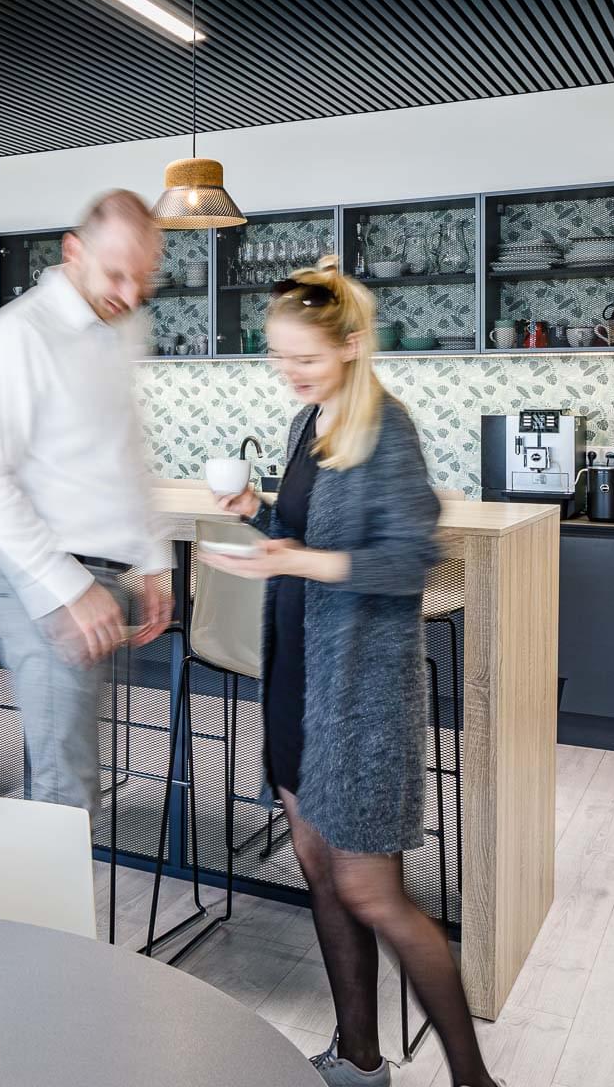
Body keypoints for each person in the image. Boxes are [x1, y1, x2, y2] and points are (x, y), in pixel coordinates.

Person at [201, 257, 500, 1087]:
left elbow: (407, 561)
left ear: (353, 346)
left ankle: (476, 1081)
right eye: (278, 357)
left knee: (373, 894)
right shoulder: (313, 422)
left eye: (303, 358)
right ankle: (359, 1058)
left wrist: (300, 562)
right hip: (300, 680)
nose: (287, 372)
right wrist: (259, 513)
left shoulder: (385, 429)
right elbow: (309, 526)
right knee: (318, 870)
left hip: (359, 695)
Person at [0, 190, 173, 815]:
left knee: (63, 778)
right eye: (116, 275)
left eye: (144, 279)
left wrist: (153, 556)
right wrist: (68, 588)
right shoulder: (12, 340)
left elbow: (126, 447)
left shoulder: (120, 325)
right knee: (65, 790)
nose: (132, 295)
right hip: (43, 581)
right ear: (72, 252)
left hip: (101, 579)